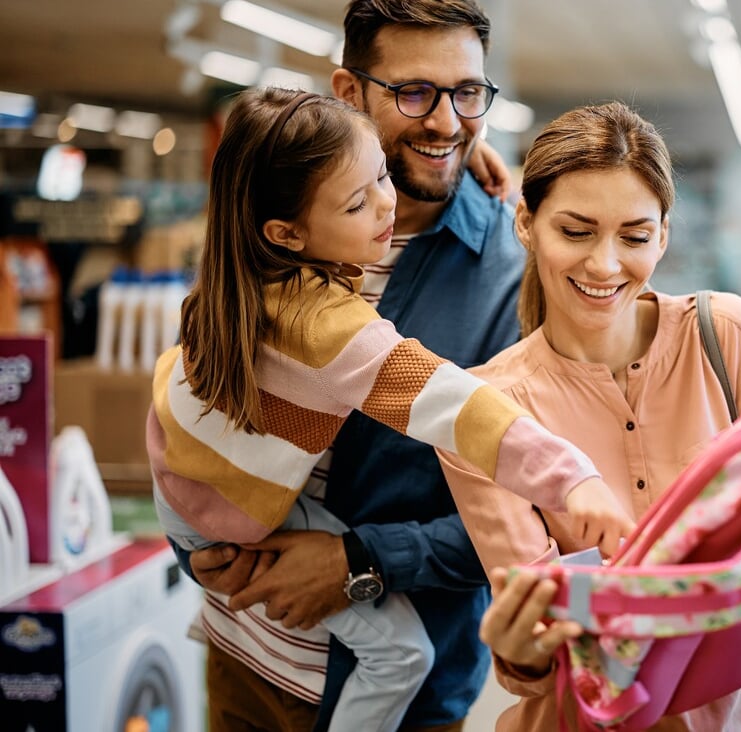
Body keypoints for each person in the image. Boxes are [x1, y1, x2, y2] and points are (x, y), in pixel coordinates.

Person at [149, 87, 633, 732]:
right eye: (358, 200)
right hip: (231, 539)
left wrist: (474, 159)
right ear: (286, 231)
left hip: (196, 481)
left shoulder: (237, 274)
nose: (386, 203)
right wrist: (573, 478)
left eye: (382, 173)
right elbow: (463, 410)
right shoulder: (334, 329)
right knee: (402, 654)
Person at [440, 101, 741, 731]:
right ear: (526, 223)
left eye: (634, 237)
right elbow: (538, 651)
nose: (605, 265)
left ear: (664, 234)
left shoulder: (727, 337)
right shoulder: (488, 411)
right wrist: (520, 649)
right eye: (576, 231)